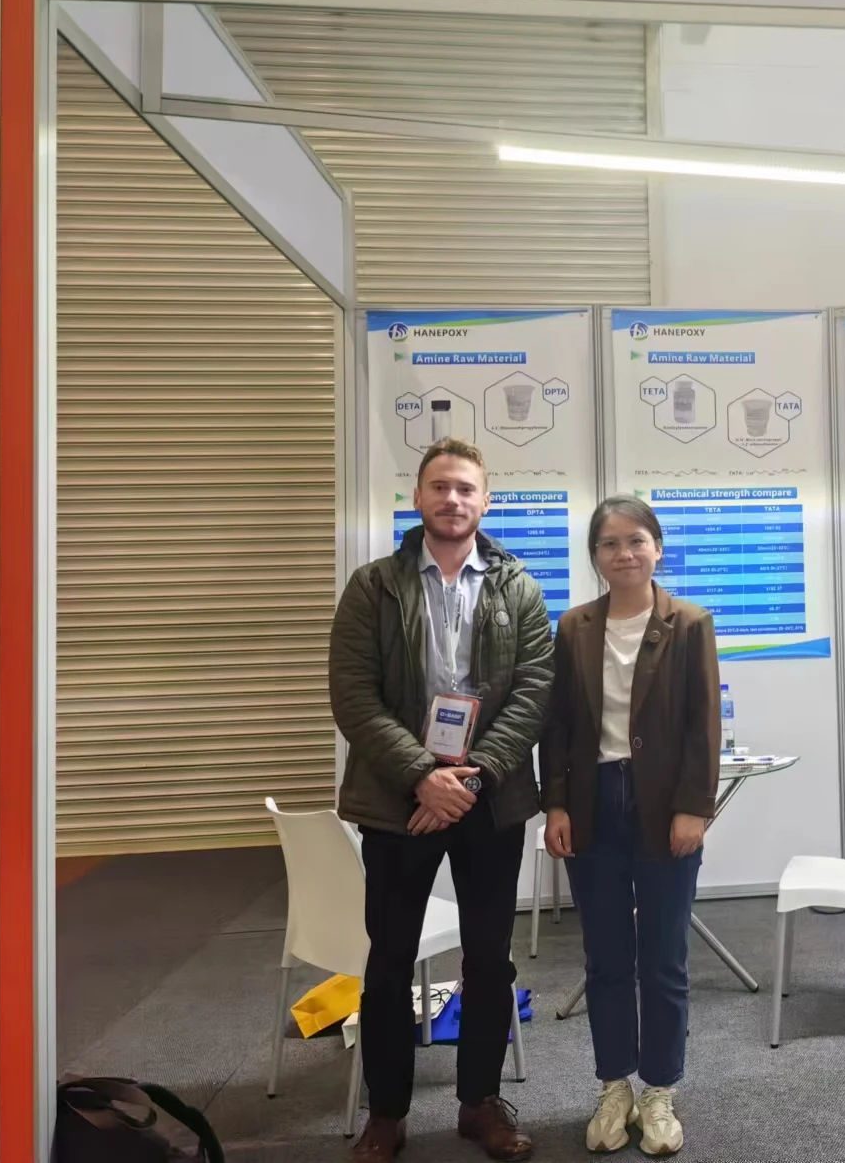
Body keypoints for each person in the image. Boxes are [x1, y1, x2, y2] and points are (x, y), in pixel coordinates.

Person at [329, 437, 553, 1163]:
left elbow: (533, 692)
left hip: (491, 801)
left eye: (465, 488)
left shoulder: (518, 587)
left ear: (485, 501)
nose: (452, 499)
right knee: (390, 960)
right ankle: (386, 1114)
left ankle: (479, 1104)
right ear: (418, 496)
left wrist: (472, 778)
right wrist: (423, 776)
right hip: (399, 801)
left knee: (489, 958)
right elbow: (353, 695)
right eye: (439, 487)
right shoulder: (373, 586)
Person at [540, 498, 720, 1157]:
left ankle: (660, 1090)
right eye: (610, 543)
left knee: (664, 957)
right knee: (606, 956)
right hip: (593, 805)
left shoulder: (690, 623)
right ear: (595, 555)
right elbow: (557, 725)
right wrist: (556, 804)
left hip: (663, 806)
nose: (624, 553)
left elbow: (704, 724)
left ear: (657, 547)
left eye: (636, 540)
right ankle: (614, 1084)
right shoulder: (574, 627)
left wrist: (694, 807)